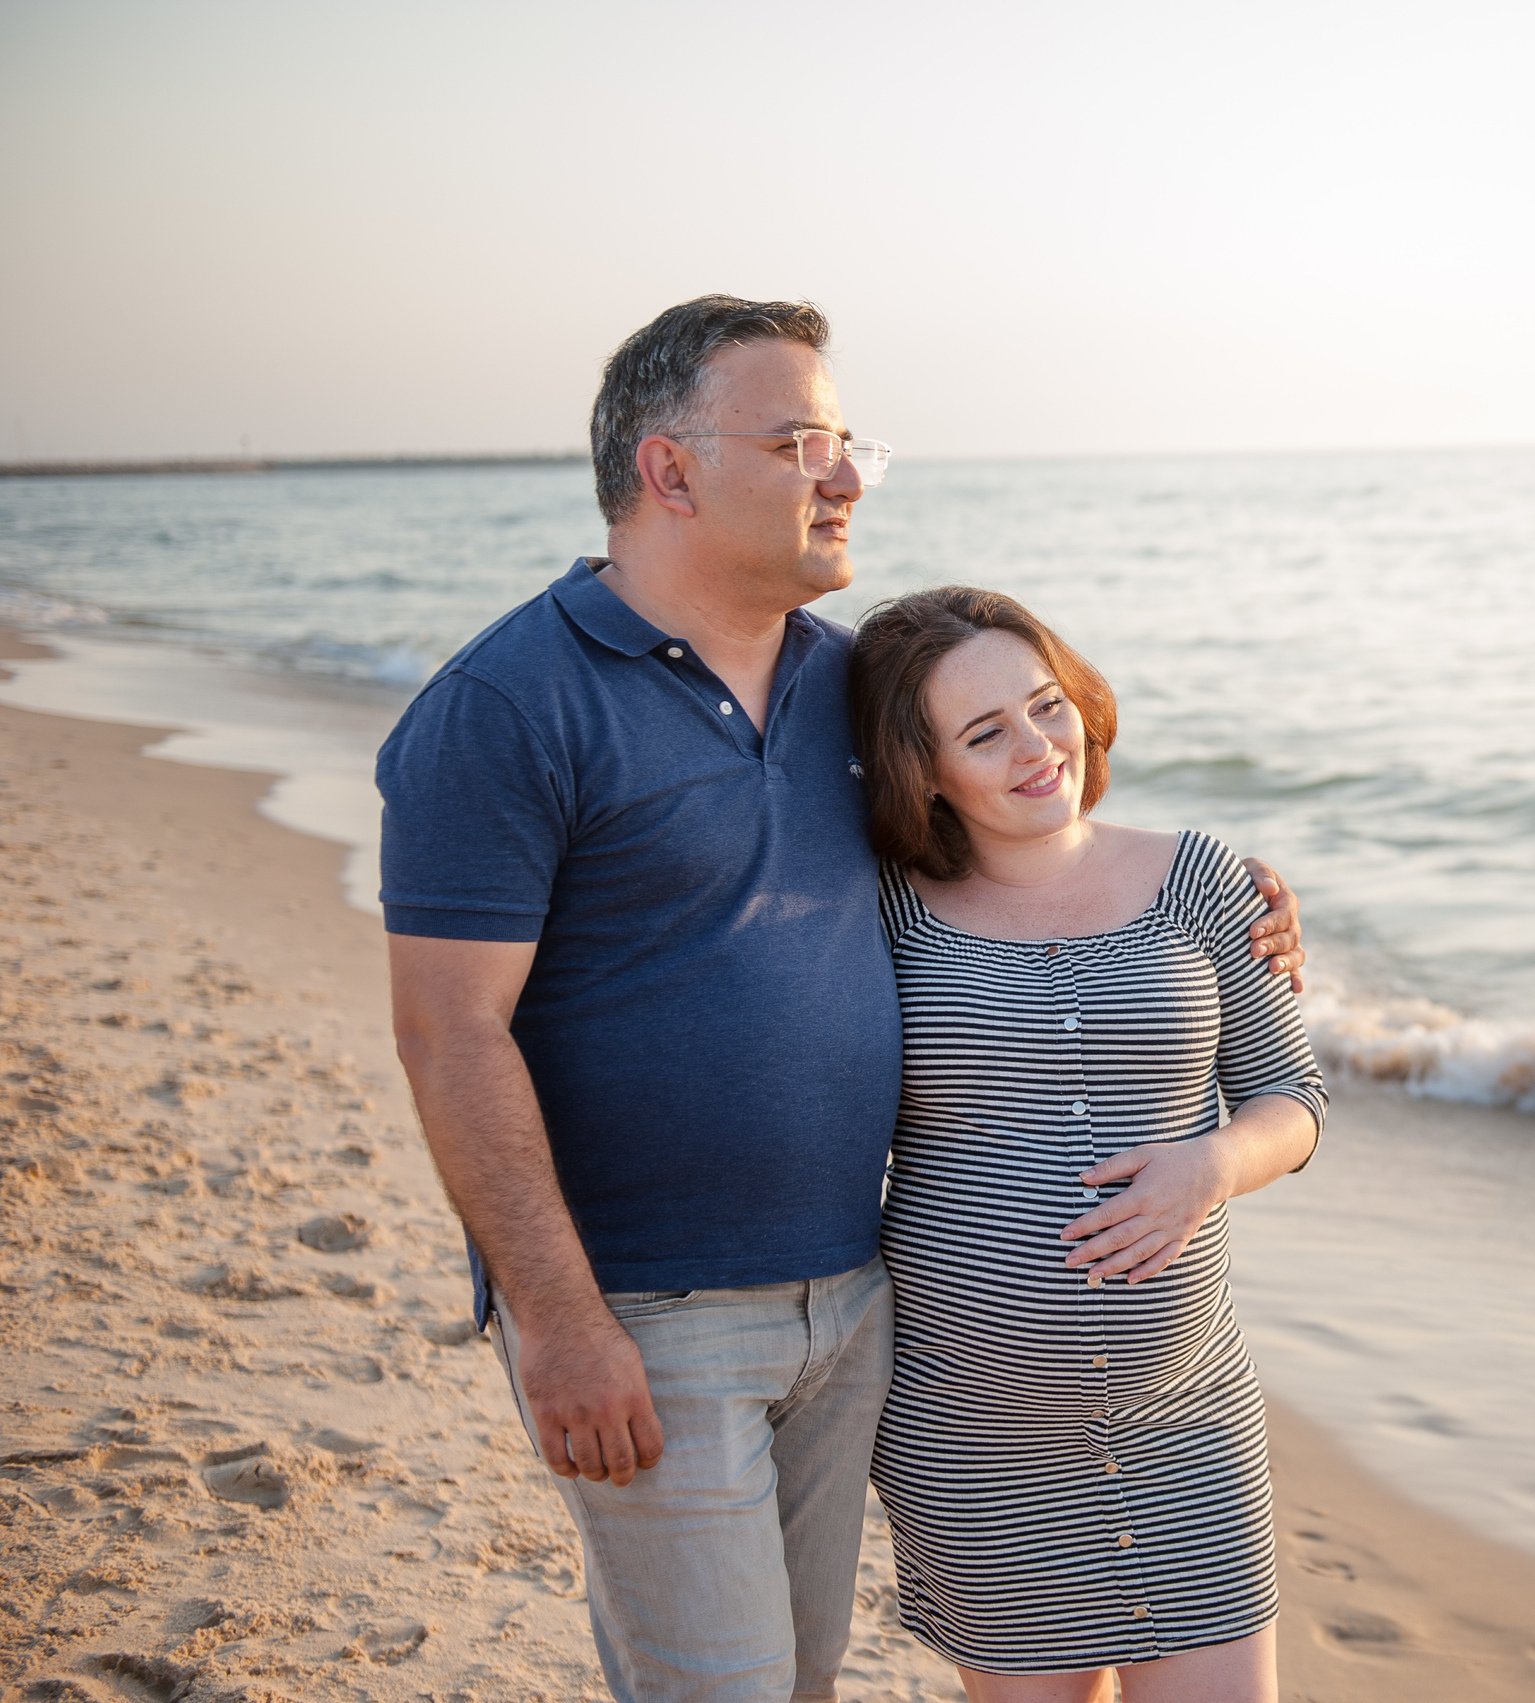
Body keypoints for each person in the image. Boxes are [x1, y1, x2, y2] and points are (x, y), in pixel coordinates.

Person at [376, 296, 1307, 1703]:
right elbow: (449, 1029)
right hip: (652, 1307)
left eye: (850, 438)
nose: (848, 474)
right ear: (670, 470)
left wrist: (1222, 904)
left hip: (860, 1299)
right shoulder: (508, 705)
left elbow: (1008, 833)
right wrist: (558, 1320)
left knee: (800, 1677)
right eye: (804, 440)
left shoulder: (845, 688)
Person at [848, 587, 1322, 1703]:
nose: (1034, 747)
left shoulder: (1205, 879)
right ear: (922, 772)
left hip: (1186, 1419)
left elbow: (1293, 1097)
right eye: (983, 732)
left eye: (1046, 704)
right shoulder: (876, 909)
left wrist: (1211, 1165)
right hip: (973, 1435)